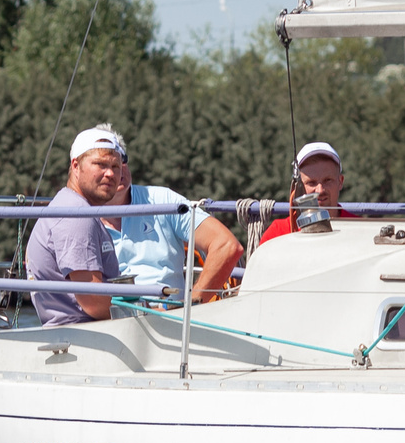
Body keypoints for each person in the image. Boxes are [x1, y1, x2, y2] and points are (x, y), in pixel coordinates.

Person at [24, 128, 127, 324]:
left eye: (116, 166)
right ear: (76, 166)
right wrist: (145, 312)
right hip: (86, 332)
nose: (110, 173)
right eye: (100, 164)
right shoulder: (77, 215)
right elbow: (92, 300)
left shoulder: (71, 206)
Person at [105, 160, 243, 304]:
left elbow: (227, 245)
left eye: (121, 160)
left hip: (170, 315)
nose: (114, 171)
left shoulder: (163, 200)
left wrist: (190, 304)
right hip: (108, 316)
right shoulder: (87, 219)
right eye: (102, 164)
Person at [256, 141, 359, 247]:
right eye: (311, 183)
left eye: (328, 180)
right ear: (297, 187)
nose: (320, 190)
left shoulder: (360, 229)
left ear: (340, 182)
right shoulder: (277, 233)